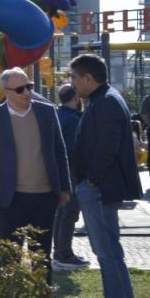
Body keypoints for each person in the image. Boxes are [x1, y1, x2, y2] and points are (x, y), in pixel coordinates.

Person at [69, 54, 142, 298]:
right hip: (98, 186)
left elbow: (107, 148)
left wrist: (91, 180)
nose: (72, 83)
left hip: (99, 189)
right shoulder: (103, 99)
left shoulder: (107, 101)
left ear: (89, 78)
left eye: (74, 77)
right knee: (107, 254)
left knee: (109, 254)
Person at [0, 68, 71, 282]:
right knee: (9, 256)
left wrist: (64, 188)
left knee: (42, 256)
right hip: (10, 199)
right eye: (20, 89)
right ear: (6, 91)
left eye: (29, 87)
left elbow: (59, 151)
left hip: (46, 196)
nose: (26, 92)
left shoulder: (47, 112)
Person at [52, 84, 91, 270]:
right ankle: (64, 253)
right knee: (70, 212)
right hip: (71, 172)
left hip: (60, 171)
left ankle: (59, 250)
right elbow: (75, 148)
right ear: (76, 98)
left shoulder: (58, 115)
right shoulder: (74, 120)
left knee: (61, 212)